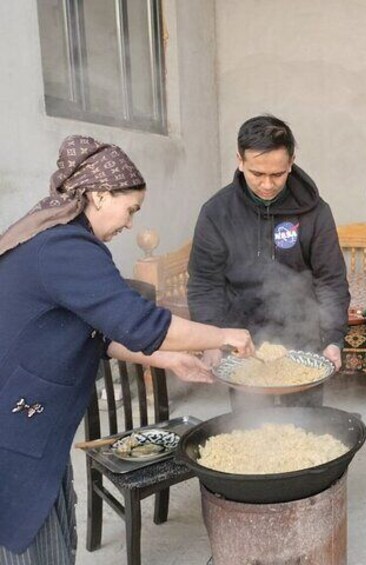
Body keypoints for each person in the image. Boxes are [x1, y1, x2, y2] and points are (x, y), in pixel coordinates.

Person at [0, 135, 254, 564]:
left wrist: (169, 358)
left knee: (47, 531)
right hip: (16, 426)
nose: (130, 223)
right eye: (131, 209)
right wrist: (224, 335)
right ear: (99, 195)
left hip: (37, 424)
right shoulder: (63, 248)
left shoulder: (61, 237)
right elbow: (140, 321)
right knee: (26, 538)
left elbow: (98, 331)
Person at [188, 115, 350, 409]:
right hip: (242, 339)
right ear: (239, 160)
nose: (266, 184)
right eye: (257, 173)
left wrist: (333, 338)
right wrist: (210, 337)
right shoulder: (217, 212)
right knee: (251, 425)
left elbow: (330, 279)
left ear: (291, 162)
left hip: (303, 334)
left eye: (277, 174)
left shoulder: (315, 212)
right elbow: (205, 282)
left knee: (305, 428)